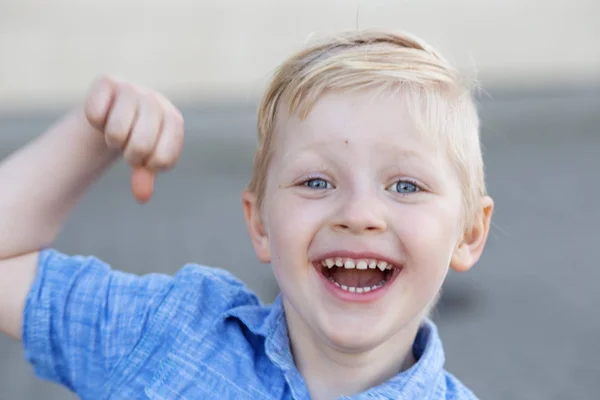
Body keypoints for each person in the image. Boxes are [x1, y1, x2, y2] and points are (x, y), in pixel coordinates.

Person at [0, 29, 493, 400]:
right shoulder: (168, 334)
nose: (359, 213)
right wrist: (94, 133)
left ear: (468, 233)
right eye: (316, 182)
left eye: (405, 185)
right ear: (260, 224)